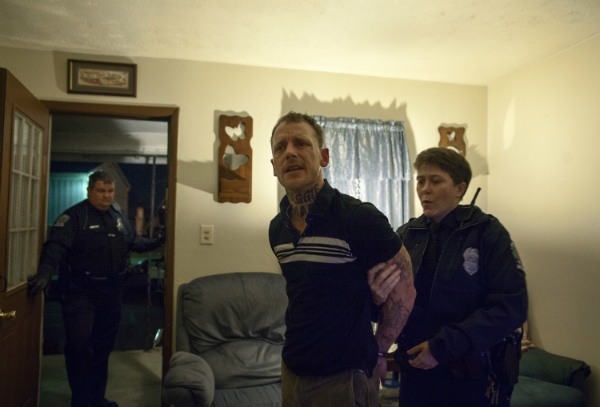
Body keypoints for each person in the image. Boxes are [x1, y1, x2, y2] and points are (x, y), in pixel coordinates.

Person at [268, 112, 416, 407]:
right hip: (292, 371)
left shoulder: (358, 218)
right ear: (273, 166)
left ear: (323, 157)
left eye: (301, 143)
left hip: (344, 379)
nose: (290, 152)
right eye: (280, 147)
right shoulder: (277, 229)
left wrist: (380, 351)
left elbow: (405, 291)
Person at [368, 147, 528, 407]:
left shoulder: (487, 232)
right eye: (421, 181)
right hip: (416, 377)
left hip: (472, 380)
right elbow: (391, 306)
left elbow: (511, 307)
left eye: (435, 181)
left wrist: (442, 347)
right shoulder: (406, 235)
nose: (425, 189)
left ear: (459, 188)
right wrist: (375, 300)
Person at [27, 171, 164, 407]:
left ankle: (97, 400)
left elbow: (135, 242)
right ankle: (81, 401)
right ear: (90, 191)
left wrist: (160, 241)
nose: (107, 196)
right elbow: (55, 247)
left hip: (111, 292)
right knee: (79, 346)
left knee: (102, 348)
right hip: (80, 292)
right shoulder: (74, 217)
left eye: (110, 191)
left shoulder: (118, 216)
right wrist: (45, 273)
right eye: (101, 191)